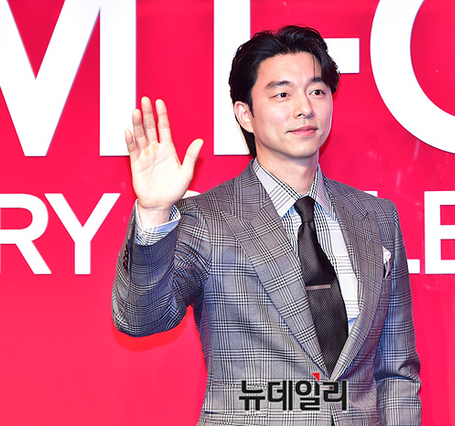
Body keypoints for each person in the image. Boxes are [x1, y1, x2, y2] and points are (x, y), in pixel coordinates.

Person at [112, 25, 421, 425]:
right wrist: (154, 213)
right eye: (282, 94)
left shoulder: (377, 217)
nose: (304, 108)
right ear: (246, 114)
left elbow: (396, 371)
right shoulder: (206, 218)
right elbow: (141, 319)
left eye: (317, 91)